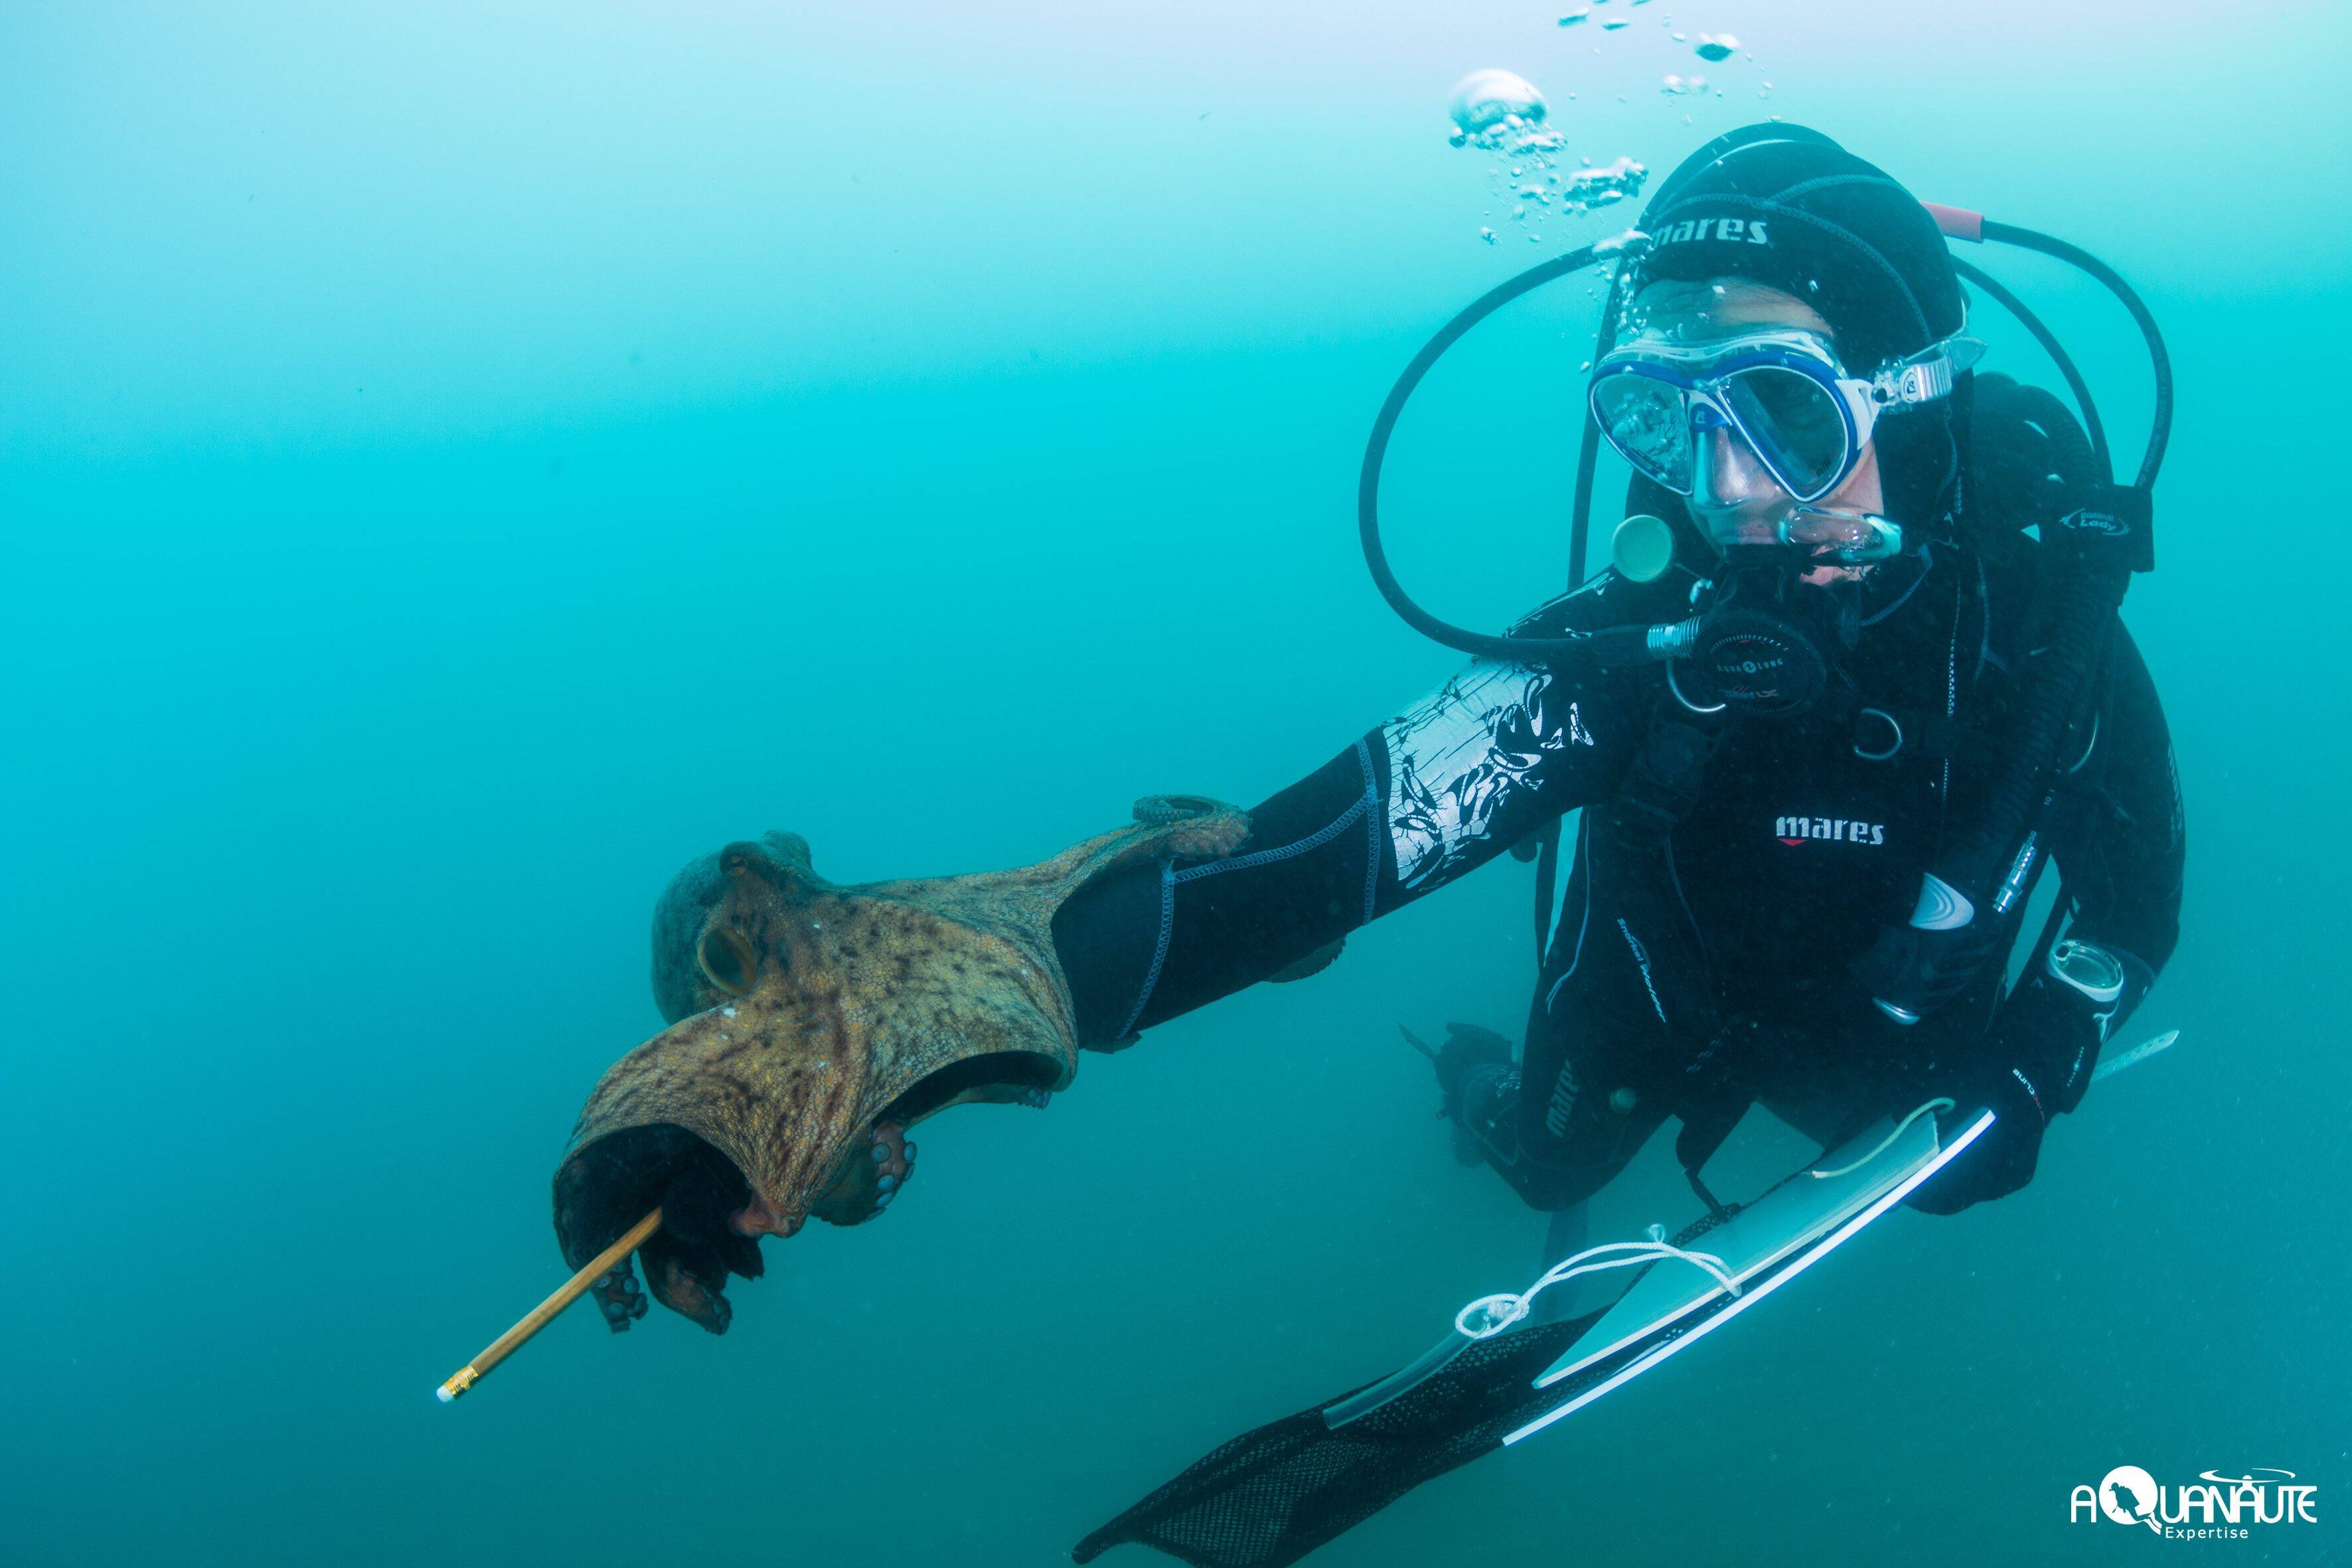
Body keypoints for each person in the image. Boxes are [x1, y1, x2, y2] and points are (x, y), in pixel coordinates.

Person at [1048, 125, 2183, 1235]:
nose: (1729, 488)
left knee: (1945, 1176)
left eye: (1788, 410)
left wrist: (2049, 1048)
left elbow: (2136, 897)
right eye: (1665, 416)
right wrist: (990, 988)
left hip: (1901, 1015)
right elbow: (1321, 854)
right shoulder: (1628, 642)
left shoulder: (2041, 640)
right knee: (1547, 1169)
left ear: (1917, 400)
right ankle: (1471, 1073)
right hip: (1654, 991)